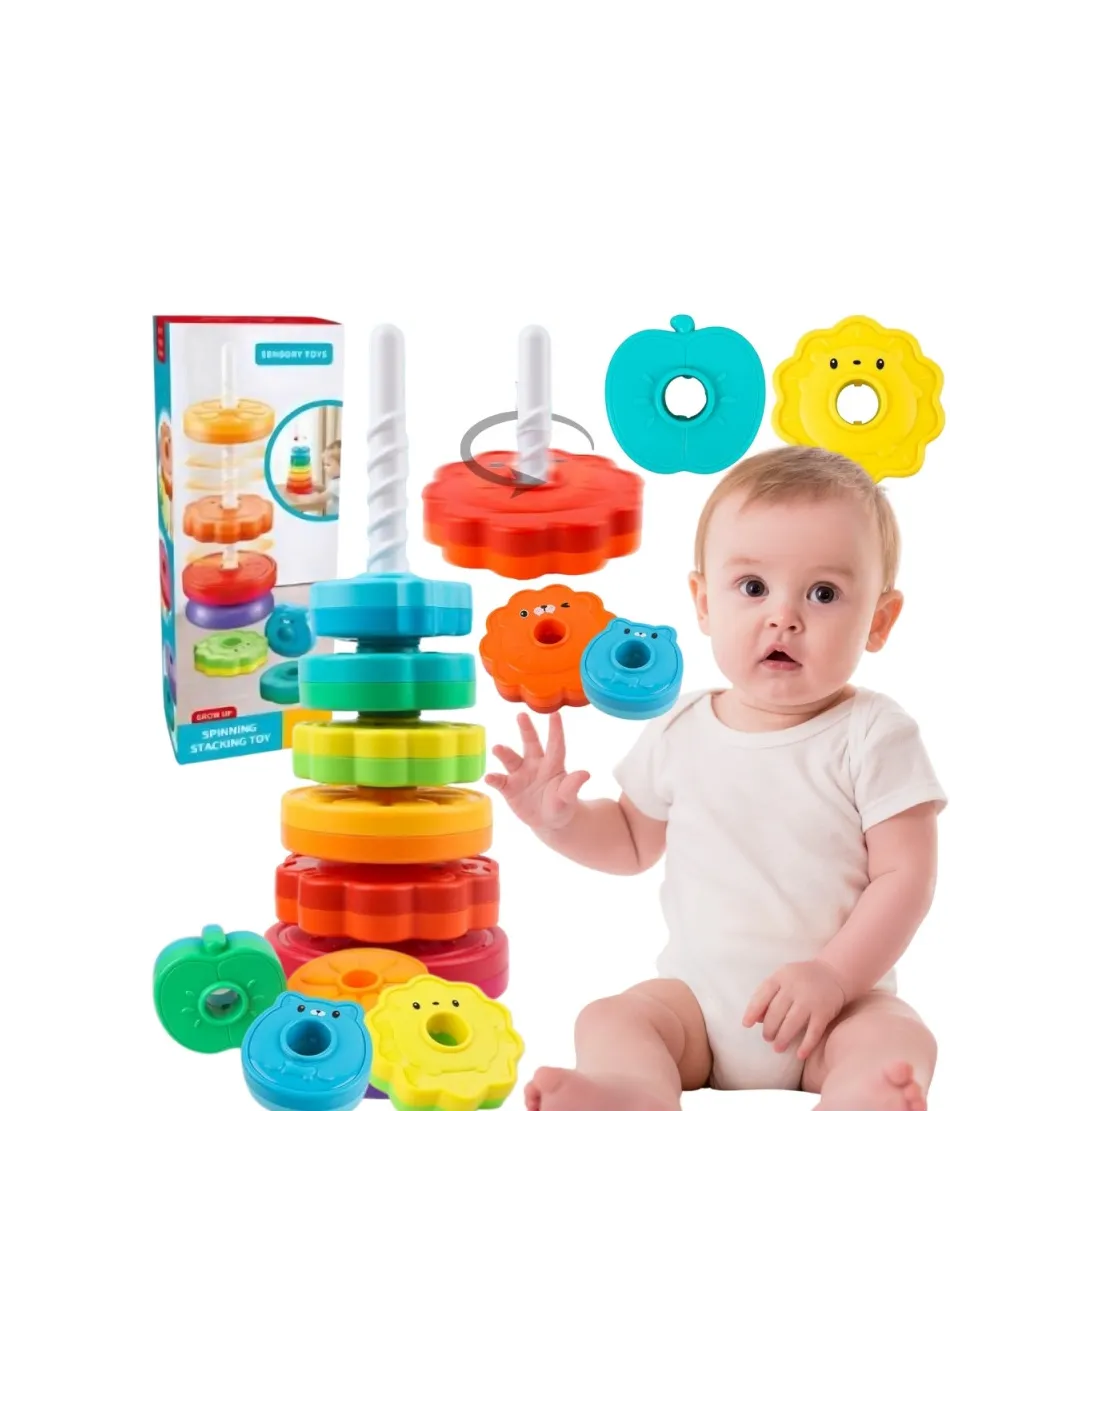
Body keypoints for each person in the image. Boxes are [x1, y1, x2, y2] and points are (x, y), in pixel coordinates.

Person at [487, 446, 947, 1111]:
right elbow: (630, 841)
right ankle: (635, 1090)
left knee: (896, 1036)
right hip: (698, 1014)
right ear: (703, 603)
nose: (783, 617)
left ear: (878, 620)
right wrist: (559, 822)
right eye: (753, 587)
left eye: (823, 593)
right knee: (609, 1018)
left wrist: (833, 976)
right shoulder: (681, 728)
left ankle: (860, 1094)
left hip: (837, 1009)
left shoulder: (874, 734)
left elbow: (907, 879)